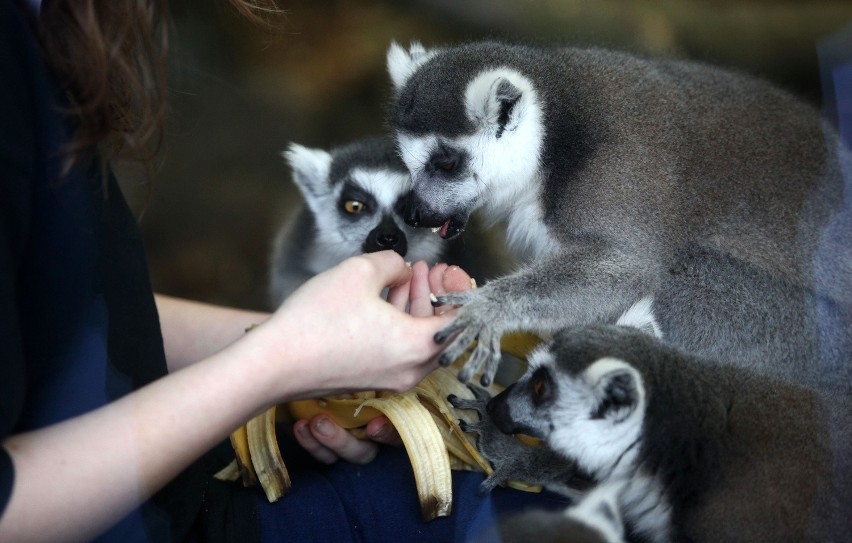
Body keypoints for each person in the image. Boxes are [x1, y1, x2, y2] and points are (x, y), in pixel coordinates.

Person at [1, 1, 568, 541]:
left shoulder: (46, 32)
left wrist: (323, 354)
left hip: (164, 479)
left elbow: (55, 308)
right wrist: (279, 363)